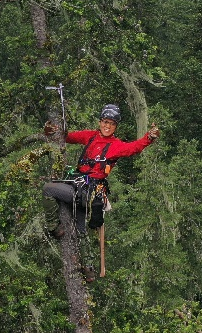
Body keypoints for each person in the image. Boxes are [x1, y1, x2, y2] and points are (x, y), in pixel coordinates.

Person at [43, 103, 159, 243]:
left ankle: (53, 227)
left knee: (48, 189)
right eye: (105, 122)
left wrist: (149, 137)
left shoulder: (116, 145)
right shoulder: (91, 136)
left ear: (115, 126)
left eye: (112, 124)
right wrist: (52, 131)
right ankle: (84, 261)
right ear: (100, 122)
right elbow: (69, 137)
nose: (107, 126)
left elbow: (134, 147)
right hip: (79, 186)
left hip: (89, 194)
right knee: (79, 233)